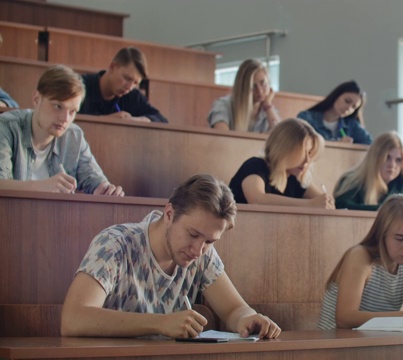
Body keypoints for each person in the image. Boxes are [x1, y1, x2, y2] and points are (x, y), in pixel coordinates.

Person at [61, 174, 281, 339]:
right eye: (193, 234)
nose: (198, 250)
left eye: (209, 241)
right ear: (169, 214)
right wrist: (160, 323)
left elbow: (234, 309)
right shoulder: (115, 244)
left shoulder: (203, 254)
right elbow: (73, 319)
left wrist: (248, 318)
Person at [317, 194, 403, 329]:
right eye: (400, 238)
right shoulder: (361, 257)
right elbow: (345, 319)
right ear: (382, 234)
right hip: (335, 344)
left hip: (375, 345)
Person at [0, 64, 124, 196]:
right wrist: (42, 186)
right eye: (58, 106)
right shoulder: (7, 126)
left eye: (72, 111)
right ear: (36, 99)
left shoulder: (74, 136)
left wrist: (106, 190)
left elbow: (94, 178)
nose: (65, 118)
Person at [228, 118, 334, 209]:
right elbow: (257, 200)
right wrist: (310, 204)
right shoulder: (255, 165)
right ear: (284, 150)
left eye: (310, 153)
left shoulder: (295, 177)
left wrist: (326, 203)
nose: (307, 161)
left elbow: (324, 203)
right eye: (302, 152)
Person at [333, 131, 403, 213]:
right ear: (375, 157)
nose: (392, 165)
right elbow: (342, 206)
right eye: (387, 158)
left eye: (398, 160)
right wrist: (386, 210)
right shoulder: (351, 180)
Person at [79, 46, 168, 123]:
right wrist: (107, 120)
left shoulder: (133, 95)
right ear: (112, 67)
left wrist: (134, 120)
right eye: (127, 78)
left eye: (135, 83)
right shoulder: (80, 86)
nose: (129, 87)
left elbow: (161, 120)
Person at [207, 58, 280, 133]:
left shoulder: (268, 110)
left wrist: (267, 105)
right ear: (242, 87)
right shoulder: (223, 105)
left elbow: (281, 136)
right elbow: (221, 137)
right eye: (253, 86)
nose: (259, 91)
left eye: (263, 83)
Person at [297, 80, 372, 145]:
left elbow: (370, 145)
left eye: (353, 107)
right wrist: (337, 144)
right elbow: (300, 143)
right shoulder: (306, 118)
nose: (348, 108)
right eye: (347, 101)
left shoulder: (352, 125)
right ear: (337, 95)